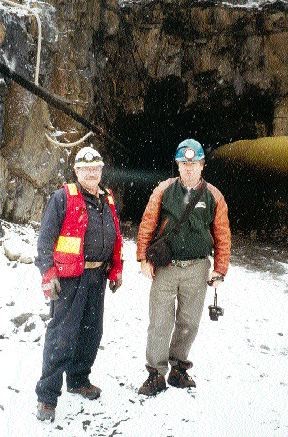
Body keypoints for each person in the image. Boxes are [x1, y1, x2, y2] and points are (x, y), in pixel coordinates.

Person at [35, 146, 123, 421]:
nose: (91, 173)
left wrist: (116, 269)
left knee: (91, 332)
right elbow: (45, 239)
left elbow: (116, 236)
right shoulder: (63, 197)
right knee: (62, 336)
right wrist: (48, 274)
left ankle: (78, 379)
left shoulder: (106, 198)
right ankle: (47, 397)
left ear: (101, 170)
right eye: (85, 169)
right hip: (71, 278)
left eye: (96, 168)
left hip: (97, 276)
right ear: (76, 171)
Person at [137, 138, 231, 396]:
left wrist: (219, 269)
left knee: (189, 322)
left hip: (197, 268)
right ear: (177, 166)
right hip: (166, 267)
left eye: (194, 163)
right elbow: (147, 224)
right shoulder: (164, 190)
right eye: (184, 164)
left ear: (202, 165)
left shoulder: (213, 196)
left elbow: (222, 234)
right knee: (159, 322)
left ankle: (178, 368)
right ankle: (156, 373)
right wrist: (144, 259)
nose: (189, 168)